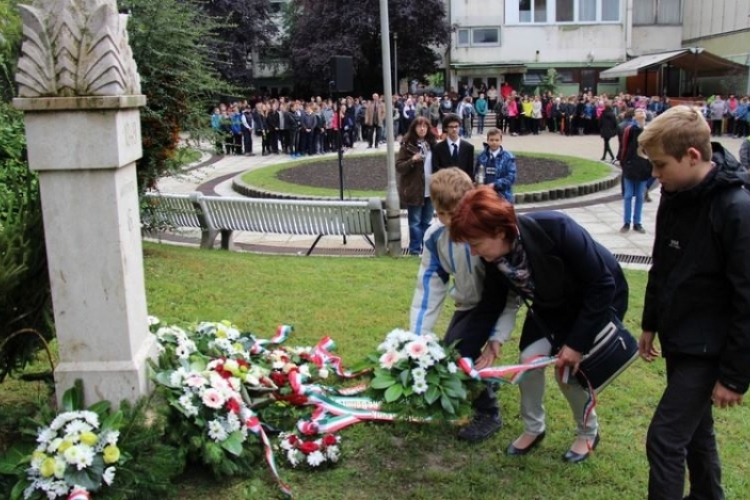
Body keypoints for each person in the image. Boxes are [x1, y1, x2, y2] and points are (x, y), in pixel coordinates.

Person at [450, 188, 629, 463]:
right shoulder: (493, 258)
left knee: (566, 372)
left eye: (476, 243)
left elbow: (602, 285)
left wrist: (576, 344)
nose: (473, 251)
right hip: (551, 307)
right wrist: (460, 354)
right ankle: (534, 428)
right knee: (526, 362)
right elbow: (490, 304)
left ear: (500, 231)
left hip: (594, 303)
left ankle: (587, 433)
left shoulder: (556, 228)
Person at [637, 105, 750, 500]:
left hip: (710, 349)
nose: (654, 175)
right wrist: (650, 321)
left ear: (693, 156)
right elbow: (662, 263)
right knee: (697, 434)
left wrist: (735, 375)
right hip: (680, 340)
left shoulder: (737, 209)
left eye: (660, 165)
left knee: (665, 440)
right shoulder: (675, 192)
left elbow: (747, 298)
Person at [410, 168, 515, 442]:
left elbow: (511, 290)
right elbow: (430, 287)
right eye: (444, 214)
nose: (451, 221)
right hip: (467, 303)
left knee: (461, 351)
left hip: (494, 303)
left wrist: (497, 336)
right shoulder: (435, 238)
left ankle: (488, 412)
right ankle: (485, 380)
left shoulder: (487, 231)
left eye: (457, 213)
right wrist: (417, 338)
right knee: (449, 351)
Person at [396, 117, 437, 256]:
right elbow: (399, 167)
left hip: (430, 191)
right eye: (419, 126)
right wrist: (412, 160)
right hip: (414, 190)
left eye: (425, 126)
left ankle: (426, 249)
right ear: (414, 128)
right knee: (415, 223)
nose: (422, 129)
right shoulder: (407, 146)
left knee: (427, 222)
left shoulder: (433, 145)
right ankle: (414, 250)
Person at [618, 108, 651, 233]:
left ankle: (637, 223)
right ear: (634, 116)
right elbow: (626, 144)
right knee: (627, 196)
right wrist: (623, 161)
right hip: (630, 165)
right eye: (638, 111)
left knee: (639, 196)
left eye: (643, 111)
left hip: (643, 167)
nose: (641, 112)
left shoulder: (648, 130)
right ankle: (626, 222)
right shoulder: (630, 129)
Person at [473, 128, 517, 202]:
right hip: (485, 195)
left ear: (501, 141)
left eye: (497, 140)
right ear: (487, 140)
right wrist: (478, 183)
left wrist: (495, 185)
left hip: (503, 196)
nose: (494, 142)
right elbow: (476, 173)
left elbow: (511, 177)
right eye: (492, 140)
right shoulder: (481, 156)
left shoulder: (508, 157)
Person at [432, 114, 475, 180]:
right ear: (446, 128)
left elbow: (470, 172)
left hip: (463, 185)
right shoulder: (437, 148)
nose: (454, 129)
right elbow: (436, 170)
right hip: (444, 184)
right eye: (451, 127)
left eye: (456, 126)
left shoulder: (469, 148)